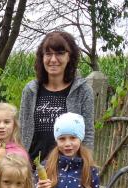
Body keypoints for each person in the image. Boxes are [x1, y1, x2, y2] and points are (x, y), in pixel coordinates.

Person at [20, 30, 94, 163]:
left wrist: (85, 166)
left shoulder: (82, 91)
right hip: (32, 168)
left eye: (60, 53)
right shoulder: (30, 90)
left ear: (69, 56)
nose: (53, 59)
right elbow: (22, 131)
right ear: (42, 57)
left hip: (68, 171)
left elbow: (87, 134)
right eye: (48, 54)